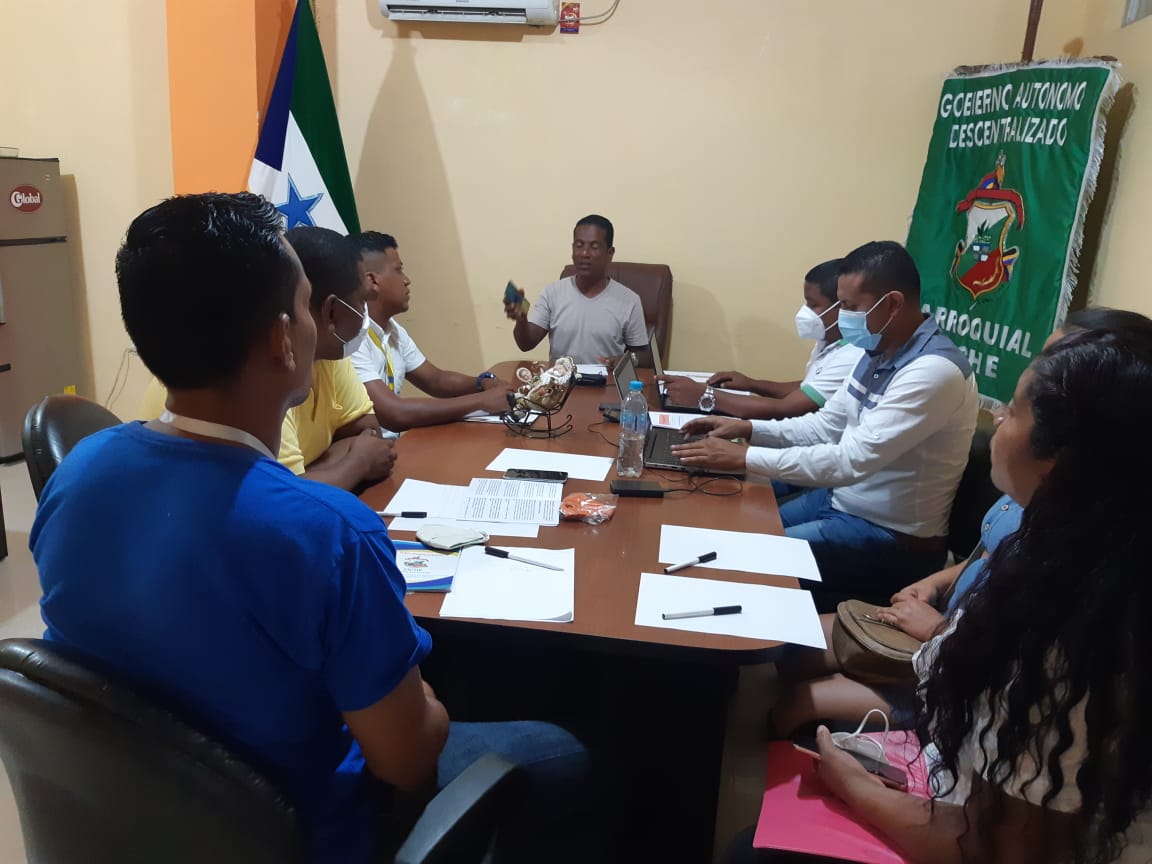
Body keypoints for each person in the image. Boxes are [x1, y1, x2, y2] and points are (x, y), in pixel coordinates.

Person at [30, 193, 590, 864]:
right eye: (303, 305)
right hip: (299, 831)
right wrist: (424, 695)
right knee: (564, 752)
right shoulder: (328, 532)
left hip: (129, 822)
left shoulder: (77, 471)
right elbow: (408, 760)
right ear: (280, 340)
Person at [728, 324, 1152, 863]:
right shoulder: (1072, 544)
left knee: (750, 850)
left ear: (1061, 457)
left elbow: (990, 847)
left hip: (980, 824)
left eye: (1014, 410)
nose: (999, 419)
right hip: (957, 760)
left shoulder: (1067, 637)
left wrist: (852, 783)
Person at [674, 242, 979, 606]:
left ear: (893, 304)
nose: (842, 317)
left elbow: (850, 461)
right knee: (730, 531)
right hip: (838, 501)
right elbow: (823, 426)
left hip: (890, 537)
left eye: (850, 306)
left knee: (738, 560)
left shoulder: (933, 371)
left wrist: (744, 457)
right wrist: (750, 430)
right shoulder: (878, 351)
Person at [137, 226, 397, 491]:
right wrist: (356, 463)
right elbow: (284, 495)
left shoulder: (330, 355)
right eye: (301, 302)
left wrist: (318, 474)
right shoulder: (257, 375)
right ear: (330, 312)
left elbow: (367, 433)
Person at [349, 231, 513, 433]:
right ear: (372, 281)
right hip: (377, 446)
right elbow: (394, 412)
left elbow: (436, 380)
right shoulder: (352, 336)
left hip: (395, 443)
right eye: (398, 270)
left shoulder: (392, 329)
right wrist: (481, 400)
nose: (407, 280)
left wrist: (481, 383)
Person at [660, 259, 863, 419]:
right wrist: (751, 384)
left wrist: (705, 395)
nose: (805, 311)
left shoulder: (852, 355)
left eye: (813, 304)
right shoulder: (830, 339)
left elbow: (787, 408)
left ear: (843, 306)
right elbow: (807, 387)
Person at [504, 214, 648, 365]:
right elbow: (526, 344)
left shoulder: (629, 300)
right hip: (561, 379)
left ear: (610, 253)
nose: (584, 253)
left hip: (606, 379)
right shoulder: (552, 293)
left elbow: (643, 356)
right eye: (579, 245)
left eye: (594, 247)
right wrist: (521, 321)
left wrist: (624, 361)